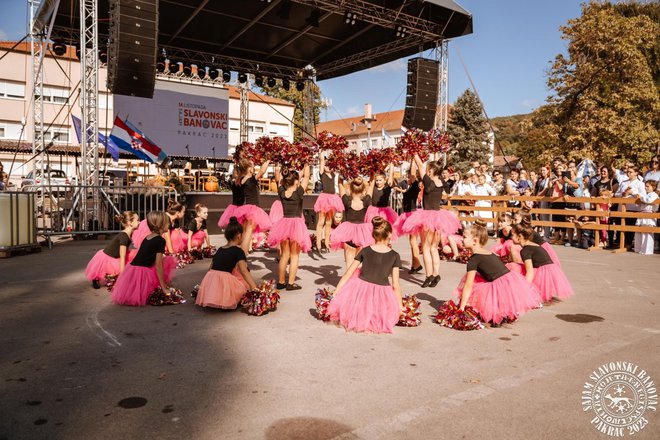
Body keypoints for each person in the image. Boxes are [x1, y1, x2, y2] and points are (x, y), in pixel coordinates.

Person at [454, 220, 541, 326]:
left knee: (475, 285)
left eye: (464, 237)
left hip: (500, 285)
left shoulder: (474, 259)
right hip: (509, 281)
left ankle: (496, 313)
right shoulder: (489, 252)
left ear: (475, 241)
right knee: (479, 279)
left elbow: (468, 285)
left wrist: (462, 307)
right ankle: (506, 311)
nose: (462, 240)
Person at [326, 217, 403, 334]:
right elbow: (396, 285)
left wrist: (337, 291)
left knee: (361, 307)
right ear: (389, 235)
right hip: (382, 291)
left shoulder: (366, 250)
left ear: (373, 234)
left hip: (361, 289)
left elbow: (348, 273)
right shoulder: (394, 255)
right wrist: (400, 305)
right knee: (378, 310)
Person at [402, 155, 461, 288]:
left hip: (428, 216)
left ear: (431, 171)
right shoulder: (440, 182)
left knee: (426, 247)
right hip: (439, 216)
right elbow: (447, 192)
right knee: (434, 247)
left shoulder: (429, 181)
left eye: (429, 169)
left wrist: (414, 152)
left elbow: (419, 165)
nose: (426, 171)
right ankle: (436, 273)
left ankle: (429, 275)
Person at [111, 212, 177, 306]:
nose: (169, 224)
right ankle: (162, 286)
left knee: (165, 260)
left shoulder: (148, 237)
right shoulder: (160, 240)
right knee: (165, 262)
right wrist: (164, 288)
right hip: (142, 271)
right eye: (167, 222)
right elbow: (158, 265)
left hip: (132, 269)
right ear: (161, 225)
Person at [195, 217, 257, 309]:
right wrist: (254, 287)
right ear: (239, 235)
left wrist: (204, 286)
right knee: (243, 287)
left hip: (210, 278)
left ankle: (212, 296)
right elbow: (244, 271)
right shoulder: (238, 251)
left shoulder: (220, 249)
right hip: (225, 280)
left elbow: (210, 268)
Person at [268, 164, 312, 290]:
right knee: (294, 255)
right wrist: (306, 162)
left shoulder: (281, 192)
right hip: (296, 225)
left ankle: (281, 282)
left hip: (284, 223)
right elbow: (307, 175)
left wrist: (282, 171)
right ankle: (291, 283)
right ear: (297, 181)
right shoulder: (298, 192)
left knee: (284, 255)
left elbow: (278, 180)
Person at [510, 220, 573, 303]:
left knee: (513, 267)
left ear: (520, 236)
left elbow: (530, 272)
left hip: (543, 273)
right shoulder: (533, 245)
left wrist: (524, 290)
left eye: (512, 235)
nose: (510, 237)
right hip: (550, 271)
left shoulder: (525, 250)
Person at [85, 211, 139, 288]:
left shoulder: (128, 234)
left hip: (116, 255)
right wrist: (122, 275)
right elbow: (122, 256)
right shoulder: (124, 237)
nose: (139, 222)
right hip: (108, 256)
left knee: (133, 256)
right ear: (130, 223)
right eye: (137, 220)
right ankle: (96, 278)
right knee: (117, 270)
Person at [330, 177, 374, 269]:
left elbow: (340, 184)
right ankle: (357, 281)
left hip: (348, 233)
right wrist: (372, 172)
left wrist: (341, 174)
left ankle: (349, 280)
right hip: (362, 234)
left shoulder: (346, 200)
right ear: (363, 190)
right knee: (359, 264)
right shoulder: (367, 201)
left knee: (349, 264)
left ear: (350, 189)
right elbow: (372, 184)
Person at [235, 158, 272, 253]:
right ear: (249, 169)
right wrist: (268, 160)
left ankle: (245, 249)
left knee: (246, 231)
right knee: (249, 231)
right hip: (252, 209)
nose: (254, 168)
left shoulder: (242, 179)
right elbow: (262, 171)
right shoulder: (251, 179)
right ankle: (244, 251)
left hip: (247, 208)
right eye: (252, 166)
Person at [393, 162, 422, 273]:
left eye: (410, 175)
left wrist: (413, 158)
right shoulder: (408, 185)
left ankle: (416, 264)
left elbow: (413, 172)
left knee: (413, 241)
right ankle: (415, 264)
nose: (408, 177)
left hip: (412, 214)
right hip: (408, 213)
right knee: (412, 241)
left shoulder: (415, 185)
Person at [313, 153, 344, 253]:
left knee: (329, 222)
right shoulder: (322, 174)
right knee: (321, 221)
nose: (327, 167)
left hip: (332, 198)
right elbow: (322, 161)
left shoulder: (333, 174)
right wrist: (322, 151)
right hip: (324, 199)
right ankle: (318, 243)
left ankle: (326, 243)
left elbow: (337, 165)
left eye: (328, 165)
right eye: (326, 165)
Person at [615, 165, 646, 249]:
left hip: (633, 208)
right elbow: (616, 194)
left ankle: (628, 243)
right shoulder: (624, 182)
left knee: (630, 226)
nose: (628, 173)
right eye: (627, 172)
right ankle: (620, 242)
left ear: (636, 173)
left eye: (631, 172)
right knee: (620, 225)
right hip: (622, 208)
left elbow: (643, 196)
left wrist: (632, 192)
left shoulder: (640, 183)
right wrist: (622, 194)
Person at [366, 165, 399, 230]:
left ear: (384, 180)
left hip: (385, 211)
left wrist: (391, 165)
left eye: (380, 180)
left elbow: (390, 177)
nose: (378, 182)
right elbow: (371, 180)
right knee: (374, 228)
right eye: (377, 180)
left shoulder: (386, 188)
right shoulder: (373, 188)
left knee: (384, 228)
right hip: (373, 211)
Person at [634, 180, 658, 255]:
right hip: (642, 214)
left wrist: (641, 197)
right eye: (645, 186)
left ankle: (647, 250)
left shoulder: (654, 195)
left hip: (649, 215)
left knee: (647, 232)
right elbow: (639, 205)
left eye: (648, 186)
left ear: (653, 187)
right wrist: (639, 200)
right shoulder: (645, 195)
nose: (646, 188)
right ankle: (638, 248)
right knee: (639, 231)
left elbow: (649, 200)